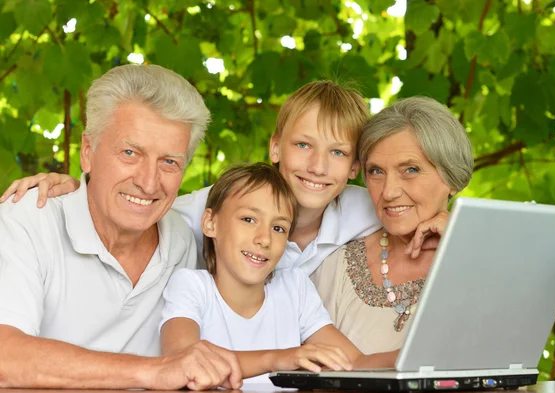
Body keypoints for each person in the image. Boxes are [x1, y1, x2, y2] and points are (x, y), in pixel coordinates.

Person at [1, 81, 439, 279]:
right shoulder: (227, 203)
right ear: (274, 149)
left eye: (338, 153)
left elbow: (413, 209)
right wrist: (80, 185)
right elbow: (147, 199)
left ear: (355, 169)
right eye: (303, 145)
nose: (318, 166)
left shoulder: (365, 209)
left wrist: (448, 223)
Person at [0, 64, 242, 390]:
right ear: (88, 152)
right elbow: (5, 357)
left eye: (169, 161)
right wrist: (152, 371)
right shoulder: (29, 218)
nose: (148, 182)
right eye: (130, 153)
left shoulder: (185, 240)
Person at [160, 163, 397, 380]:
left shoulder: (295, 288)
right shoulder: (191, 286)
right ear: (210, 223)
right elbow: (183, 361)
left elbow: (353, 362)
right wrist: (279, 359)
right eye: (249, 219)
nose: (264, 239)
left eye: (278, 227)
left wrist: (410, 357)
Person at [311, 96, 474, 354]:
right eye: (376, 171)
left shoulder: (484, 260)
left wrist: (463, 245)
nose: (388, 192)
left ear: (451, 177)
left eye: (410, 170)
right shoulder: (335, 267)